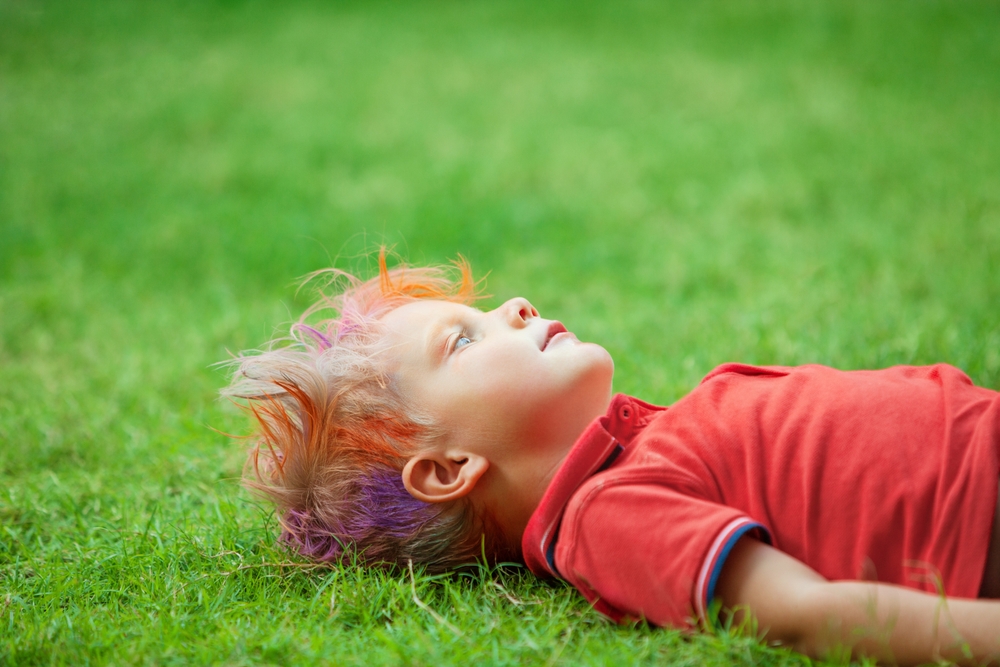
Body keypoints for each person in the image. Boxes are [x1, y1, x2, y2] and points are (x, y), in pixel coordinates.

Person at [224, 252, 1000, 665]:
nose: (514, 306)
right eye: (463, 339)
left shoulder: (632, 448)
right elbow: (799, 614)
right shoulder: (606, 515)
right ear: (447, 468)